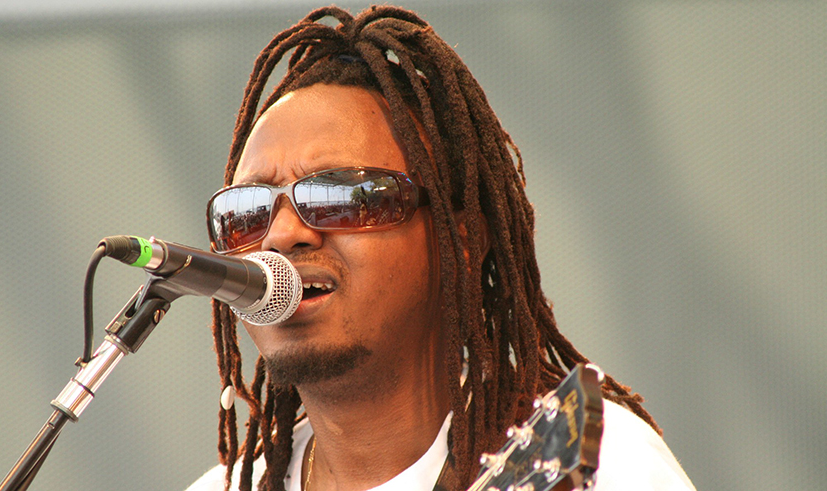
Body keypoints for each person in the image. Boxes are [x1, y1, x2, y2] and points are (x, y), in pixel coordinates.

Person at [187, 5, 695, 491]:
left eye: (341, 195)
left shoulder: (601, 463)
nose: (280, 236)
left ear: (464, 243)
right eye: (245, 211)